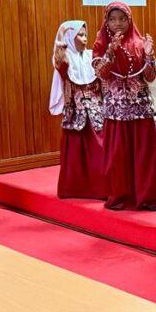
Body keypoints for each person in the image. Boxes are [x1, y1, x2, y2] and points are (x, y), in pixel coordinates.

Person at [92, 1, 156, 211]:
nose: (118, 24)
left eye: (122, 19)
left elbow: (151, 77)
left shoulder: (140, 42)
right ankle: (121, 195)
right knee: (118, 155)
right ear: (106, 21)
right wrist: (110, 52)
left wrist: (149, 55)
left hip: (140, 107)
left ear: (130, 20)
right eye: (113, 19)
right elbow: (101, 74)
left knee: (144, 153)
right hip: (116, 108)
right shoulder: (100, 43)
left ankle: (148, 196)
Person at [51, 19, 107, 200]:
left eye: (85, 35)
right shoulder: (66, 58)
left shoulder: (92, 56)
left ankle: (102, 189)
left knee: (99, 149)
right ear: (69, 38)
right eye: (80, 35)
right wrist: (60, 41)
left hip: (97, 110)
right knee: (76, 153)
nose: (84, 39)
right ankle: (76, 189)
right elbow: (60, 64)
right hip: (76, 112)